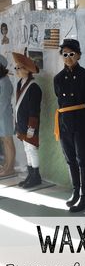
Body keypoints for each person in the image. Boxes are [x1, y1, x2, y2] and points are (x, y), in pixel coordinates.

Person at [54, 39, 85, 213]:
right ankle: (75, 192)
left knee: (83, 159)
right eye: (65, 54)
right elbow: (60, 100)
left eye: (72, 54)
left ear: (78, 55)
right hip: (64, 122)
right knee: (70, 158)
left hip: (80, 122)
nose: (68, 57)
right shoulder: (58, 78)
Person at [13, 51, 42, 188]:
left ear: (27, 70)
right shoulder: (20, 84)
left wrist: (32, 127)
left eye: (19, 68)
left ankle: (36, 176)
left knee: (32, 149)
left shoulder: (34, 87)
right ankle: (30, 174)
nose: (17, 70)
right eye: (16, 68)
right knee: (26, 149)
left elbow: (34, 110)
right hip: (22, 123)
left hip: (30, 125)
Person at [0, 55, 15, 177]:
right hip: (2, 115)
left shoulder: (4, 81)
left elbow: (3, 102)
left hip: (3, 115)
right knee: (4, 141)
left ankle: (10, 168)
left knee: (8, 141)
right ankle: (6, 165)